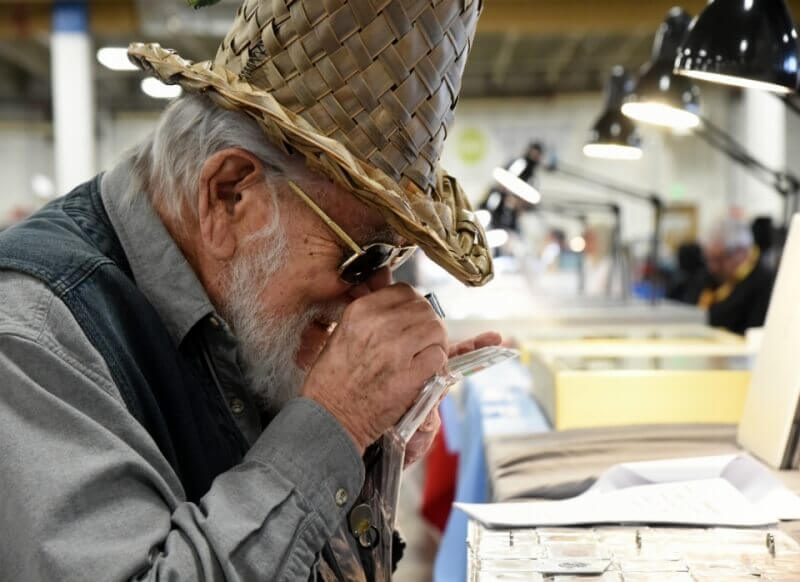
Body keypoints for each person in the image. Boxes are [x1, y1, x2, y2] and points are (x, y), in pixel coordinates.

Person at [0, 1, 498, 580]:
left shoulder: (239, 306)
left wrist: (364, 453)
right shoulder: (32, 334)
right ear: (230, 195)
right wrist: (336, 418)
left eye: (395, 259)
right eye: (361, 257)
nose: (373, 296)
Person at [699, 219, 774, 335]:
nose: (713, 267)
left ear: (741, 251)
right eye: (709, 259)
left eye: (719, 259)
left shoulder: (765, 283)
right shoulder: (711, 277)